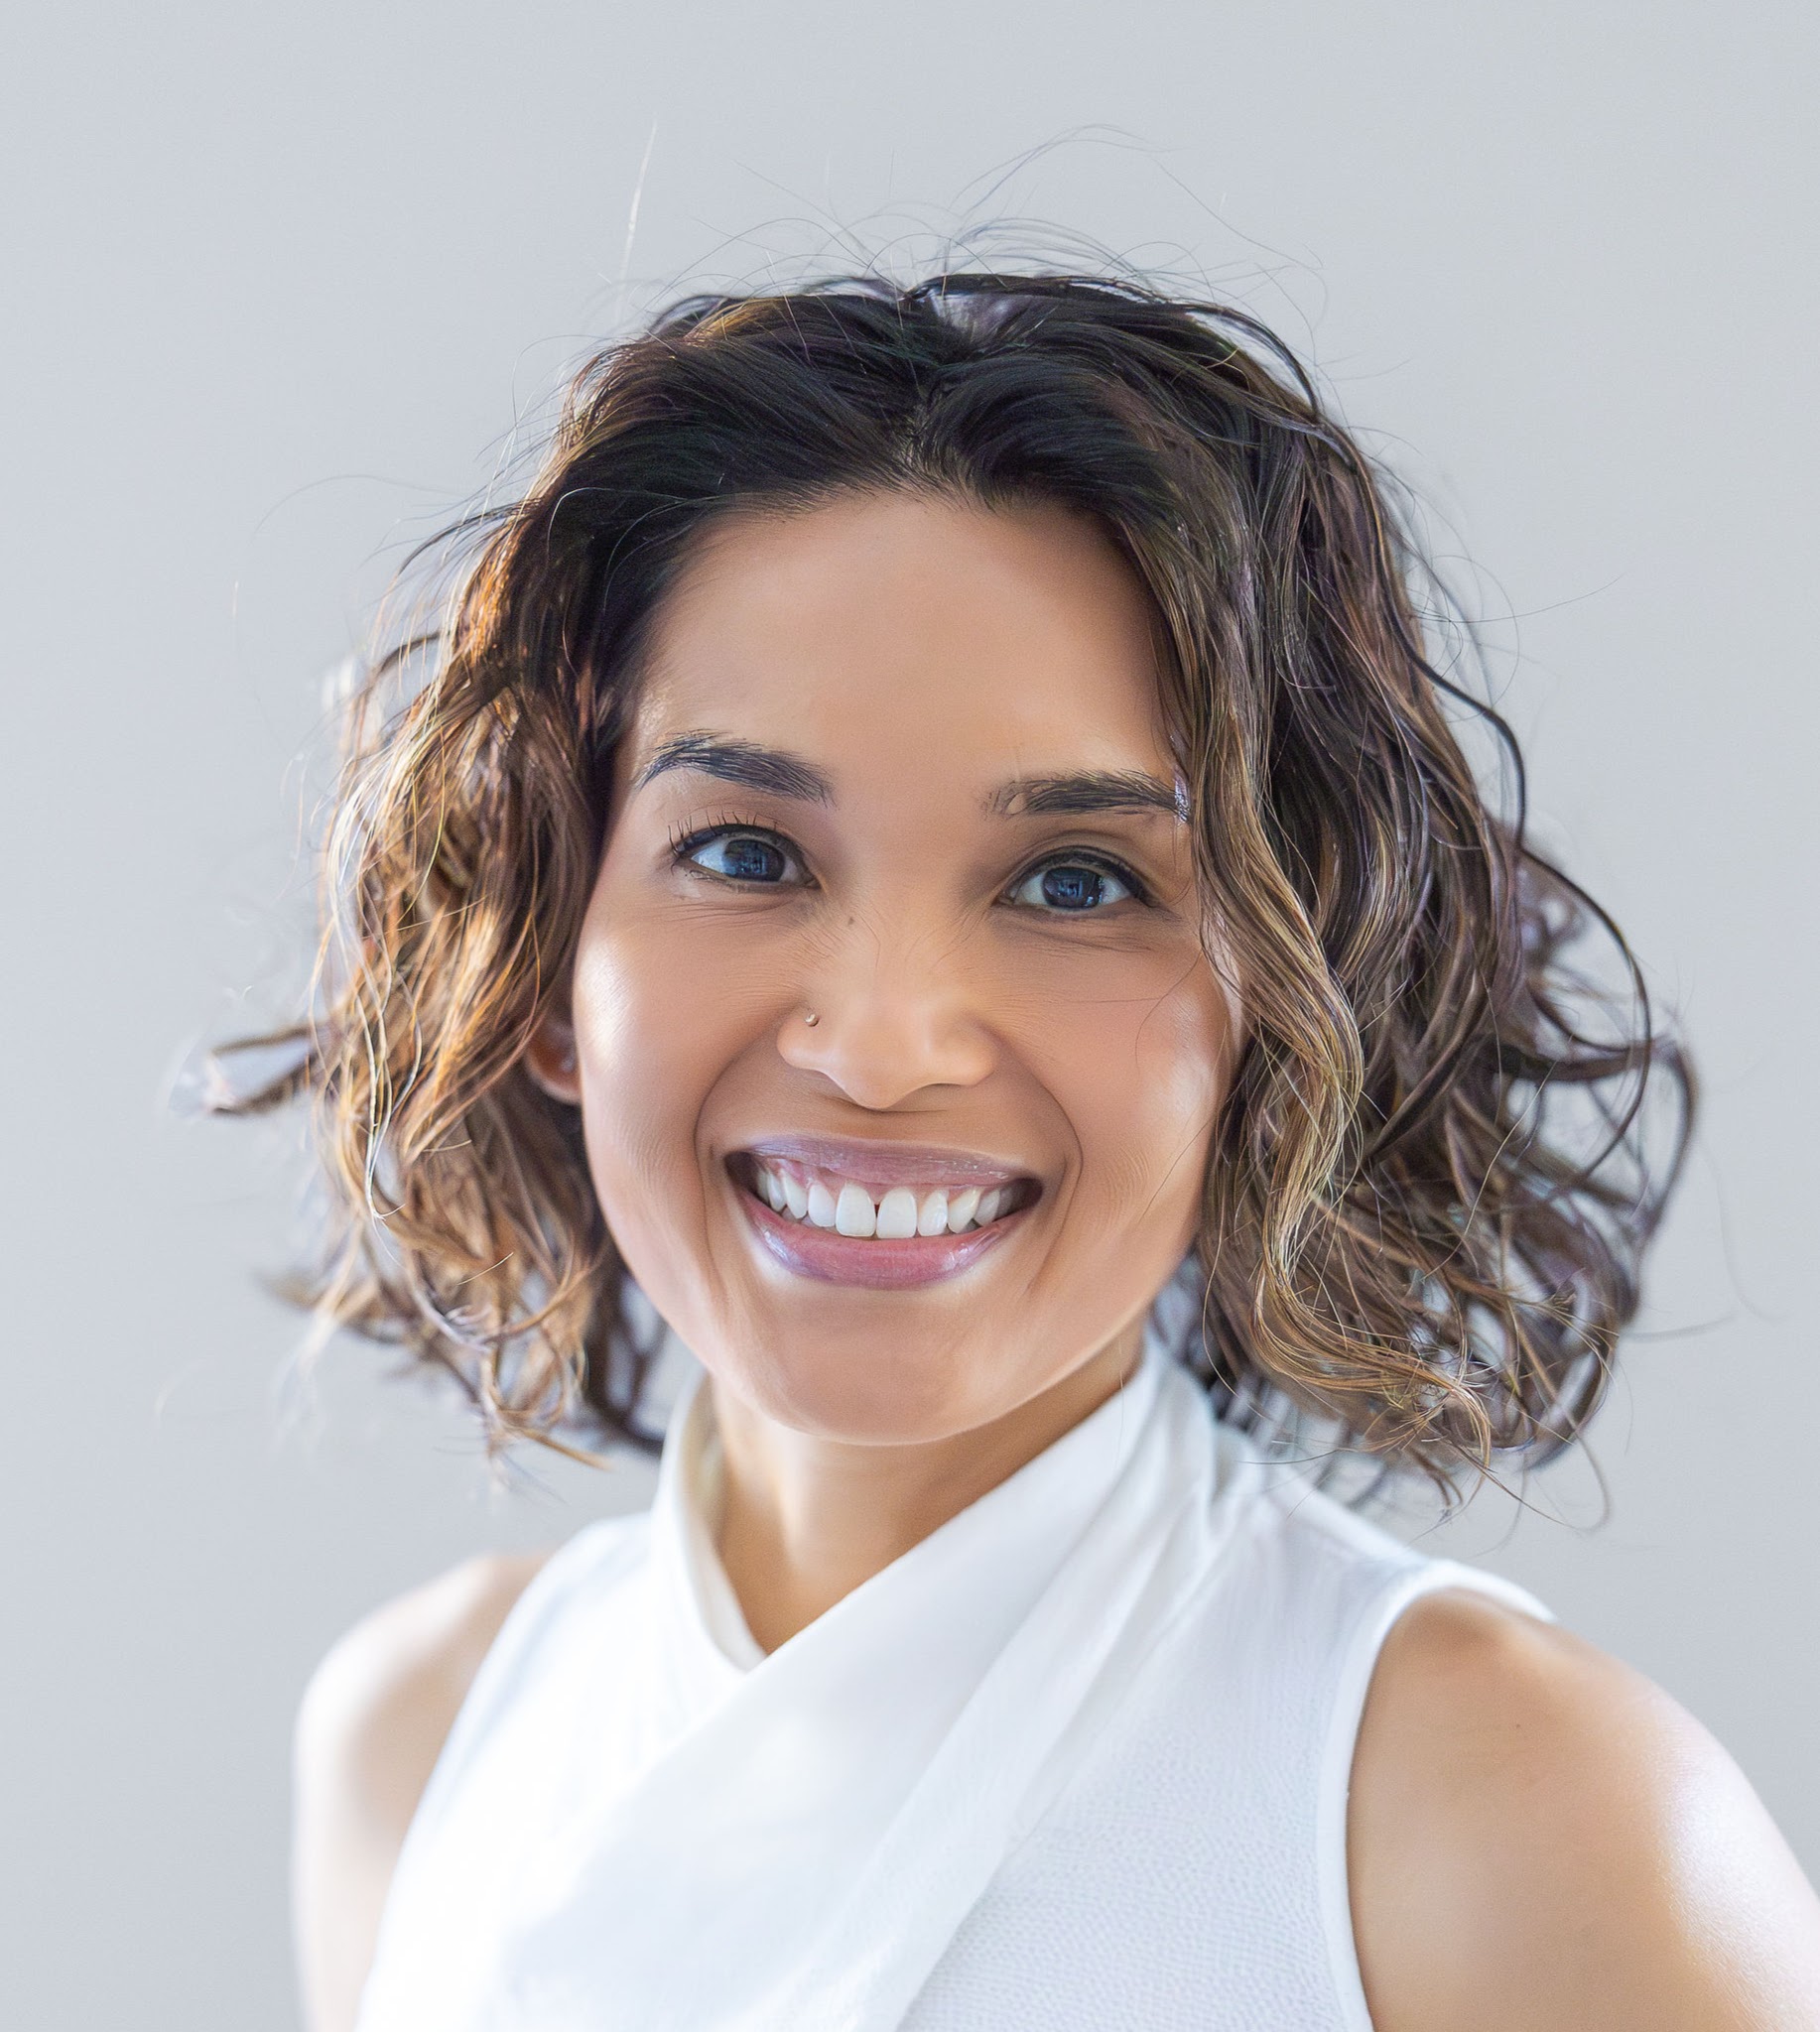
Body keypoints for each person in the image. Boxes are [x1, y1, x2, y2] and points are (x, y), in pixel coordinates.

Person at [218, 273, 1820, 2029]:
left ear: (1283, 1027)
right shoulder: (419, 1747)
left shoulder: (1515, 1825)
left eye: (1074, 882)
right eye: (745, 853)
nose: (881, 1045)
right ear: (538, 965)